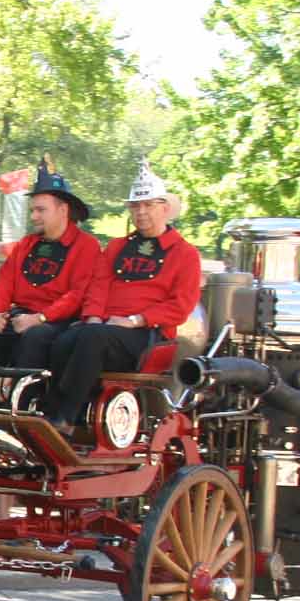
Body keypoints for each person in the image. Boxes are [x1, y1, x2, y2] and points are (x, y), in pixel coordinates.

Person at [49, 159, 202, 431]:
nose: (141, 212)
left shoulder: (185, 254)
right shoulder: (118, 246)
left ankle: (66, 418)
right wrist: (93, 316)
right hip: (105, 330)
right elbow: (99, 285)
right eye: (135, 206)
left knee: (90, 337)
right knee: (62, 339)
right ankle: (51, 411)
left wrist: (135, 320)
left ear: (165, 209)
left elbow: (181, 305)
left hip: (148, 336)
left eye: (148, 205)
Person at [0, 157, 101, 407]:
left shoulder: (86, 246)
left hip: (58, 324)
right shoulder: (27, 244)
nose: (34, 216)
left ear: (63, 210)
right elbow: (4, 283)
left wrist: (41, 318)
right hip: (20, 319)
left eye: (41, 210)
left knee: (35, 336)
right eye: (32, 210)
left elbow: (77, 294)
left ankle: (22, 411)